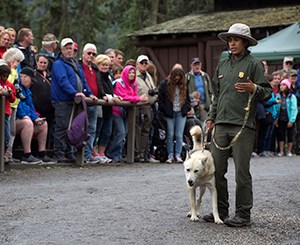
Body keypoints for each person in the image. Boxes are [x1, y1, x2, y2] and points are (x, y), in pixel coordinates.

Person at [204, 23, 272, 227]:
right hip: (221, 124)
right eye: (229, 40)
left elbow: (267, 92)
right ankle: (221, 211)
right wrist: (211, 116)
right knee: (216, 170)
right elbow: (217, 94)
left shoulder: (253, 64)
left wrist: (254, 88)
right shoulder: (223, 64)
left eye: (236, 40)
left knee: (241, 172)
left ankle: (243, 214)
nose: (232, 43)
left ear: (245, 42)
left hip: (243, 125)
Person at [51, 38, 97, 163]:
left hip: (74, 101)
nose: (69, 51)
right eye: (66, 48)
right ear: (62, 49)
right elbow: (62, 81)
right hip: (63, 100)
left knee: (73, 127)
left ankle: (69, 152)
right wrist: (74, 92)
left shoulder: (74, 63)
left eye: (71, 48)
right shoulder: (58, 64)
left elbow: (83, 81)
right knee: (62, 127)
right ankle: (59, 153)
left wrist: (90, 93)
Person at [16, 67, 56, 164]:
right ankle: (27, 155)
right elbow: (19, 107)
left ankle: (41, 153)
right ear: (24, 77)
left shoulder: (28, 91)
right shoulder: (17, 88)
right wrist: (29, 117)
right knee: (27, 123)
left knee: (43, 124)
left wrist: (36, 118)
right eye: (31, 80)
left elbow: (30, 107)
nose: (32, 83)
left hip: (25, 118)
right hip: (16, 119)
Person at [108, 65, 148, 162]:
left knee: (124, 134)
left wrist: (138, 99)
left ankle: (118, 154)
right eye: (129, 72)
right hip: (117, 111)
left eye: (133, 72)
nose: (131, 74)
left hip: (127, 112)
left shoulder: (134, 84)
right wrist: (139, 99)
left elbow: (133, 96)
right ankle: (113, 154)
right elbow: (123, 96)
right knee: (120, 133)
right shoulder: (119, 83)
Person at [158, 68, 191, 163]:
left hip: (181, 112)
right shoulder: (165, 85)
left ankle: (178, 154)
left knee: (179, 135)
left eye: (179, 79)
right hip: (169, 113)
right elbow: (160, 99)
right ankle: (170, 155)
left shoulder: (184, 86)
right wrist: (165, 110)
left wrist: (186, 108)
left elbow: (188, 98)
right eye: (175, 79)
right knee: (170, 134)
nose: (177, 81)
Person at [93, 54, 122, 163]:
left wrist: (115, 96)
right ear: (98, 65)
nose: (105, 67)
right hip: (101, 107)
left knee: (107, 132)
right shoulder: (97, 75)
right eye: (102, 65)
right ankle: (94, 152)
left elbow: (110, 90)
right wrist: (108, 96)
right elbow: (100, 91)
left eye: (106, 65)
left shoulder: (108, 77)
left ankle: (102, 153)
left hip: (109, 108)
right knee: (97, 130)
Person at [2, 48, 25, 162]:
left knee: (12, 131)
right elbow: (8, 84)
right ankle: (5, 153)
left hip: (14, 103)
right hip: (6, 104)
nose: (17, 64)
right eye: (16, 61)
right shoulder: (6, 71)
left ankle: (8, 153)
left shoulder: (15, 72)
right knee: (6, 130)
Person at [135, 55, 158, 162]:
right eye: (142, 63)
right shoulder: (134, 75)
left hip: (149, 106)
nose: (144, 65)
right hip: (138, 106)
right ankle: (135, 152)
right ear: (137, 64)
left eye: (146, 63)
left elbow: (153, 90)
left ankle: (143, 153)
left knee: (146, 130)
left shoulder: (148, 75)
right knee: (137, 129)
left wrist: (153, 97)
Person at [31, 54, 55, 147]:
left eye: (45, 63)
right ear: (36, 62)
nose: (43, 64)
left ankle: (44, 150)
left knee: (47, 131)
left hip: (49, 109)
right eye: (41, 62)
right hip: (36, 108)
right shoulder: (33, 75)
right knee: (35, 132)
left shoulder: (50, 75)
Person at [274, 79, 298, 157]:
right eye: (281, 85)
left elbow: (294, 109)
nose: (281, 86)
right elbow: (276, 108)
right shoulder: (278, 96)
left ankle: (289, 151)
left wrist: (292, 120)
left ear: (287, 86)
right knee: (281, 135)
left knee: (290, 135)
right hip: (280, 118)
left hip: (289, 118)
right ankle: (281, 150)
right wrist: (275, 119)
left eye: (283, 85)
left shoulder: (292, 96)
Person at [186, 57, 212, 122]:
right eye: (195, 65)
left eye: (198, 64)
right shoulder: (187, 77)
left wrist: (210, 103)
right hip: (193, 107)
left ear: (201, 65)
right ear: (191, 66)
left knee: (204, 125)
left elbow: (210, 91)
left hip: (204, 106)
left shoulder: (205, 76)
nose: (197, 67)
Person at [0, 61, 16, 163]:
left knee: (6, 136)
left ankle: (4, 154)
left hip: (5, 112)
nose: (4, 78)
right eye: (3, 76)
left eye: (6, 76)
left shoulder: (10, 85)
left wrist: (9, 94)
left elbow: (13, 99)